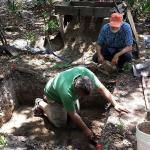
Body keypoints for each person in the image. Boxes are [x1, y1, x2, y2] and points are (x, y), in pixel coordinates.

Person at [33, 66, 128, 139]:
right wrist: (85, 129)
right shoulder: (67, 93)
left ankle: (64, 108)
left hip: (65, 92)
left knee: (76, 112)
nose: (86, 97)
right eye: (82, 95)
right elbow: (73, 114)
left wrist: (115, 104)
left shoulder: (87, 73)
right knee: (60, 123)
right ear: (76, 90)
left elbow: (102, 89)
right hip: (53, 96)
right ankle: (40, 103)